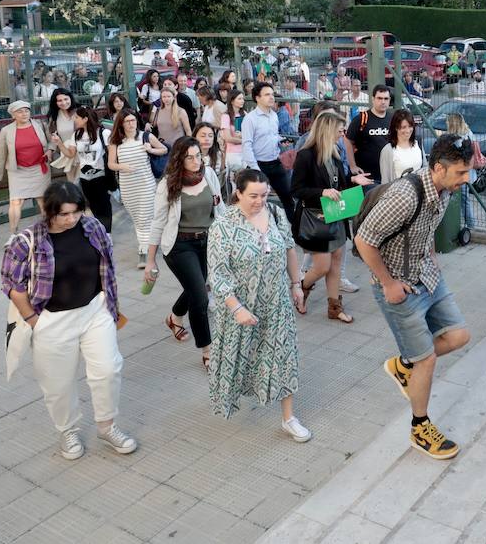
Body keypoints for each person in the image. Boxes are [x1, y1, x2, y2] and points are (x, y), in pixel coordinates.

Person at [355, 136, 474, 460]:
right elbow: (364, 240)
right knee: (427, 360)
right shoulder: (405, 195)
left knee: (459, 335)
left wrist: (431, 258)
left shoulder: (446, 190)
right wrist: (388, 283)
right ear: (438, 168)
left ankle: (404, 364)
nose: (467, 179)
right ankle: (420, 428)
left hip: (427, 276)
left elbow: (425, 227)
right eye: (461, 172)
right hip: (398, 288)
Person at [1, 181, 136, 461]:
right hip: (52, 320)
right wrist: (34, 320)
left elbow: (107, 268)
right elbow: (12, 285)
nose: (71, 219)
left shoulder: (93, 228)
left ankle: (106, 426)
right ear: (48, 211)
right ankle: (68, 430)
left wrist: (110, 306)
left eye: (75, 212)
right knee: (58, 383)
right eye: (63, 214)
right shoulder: (26, 241)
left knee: (108, 369)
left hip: (95, 311)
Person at [206, 168, 311, 441]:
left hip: (276, 302)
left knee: (284, 357)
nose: (259, 201)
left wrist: (296, 284)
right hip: (241, 306)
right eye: (253, 195)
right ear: (238, 193)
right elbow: (217, 274)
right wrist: (236, 308)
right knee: (240, 358)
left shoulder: (275, 214)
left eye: (264, 195)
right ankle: (230, 399)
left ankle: (289, 417)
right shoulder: (223, 226)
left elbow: (289, 248)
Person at [148, 135, 225, 370]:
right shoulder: (168, 183)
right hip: (180, 246)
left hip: (208, 242)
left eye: (197, 156)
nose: (195, 161)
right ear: (179, 159)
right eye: (188, 157)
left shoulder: (209, 175)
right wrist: (150, 259)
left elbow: (219, 208)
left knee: (198, 286)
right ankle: (208, 350)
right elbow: (158, 222)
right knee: (200, 297)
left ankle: (174, 317)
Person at [291, 110, 368, 324]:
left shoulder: (334, 153)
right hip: (316, 219)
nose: (342, 134)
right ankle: (302, 287)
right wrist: (321, 192)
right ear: (327, 131)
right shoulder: (306, 156)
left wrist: (354, 179)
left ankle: (334, 307)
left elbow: (339, 185)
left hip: (336, 216)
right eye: (339, 130)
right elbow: (296, 189)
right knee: (322, 266)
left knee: (335, 264)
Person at [107, 107, 165, 269]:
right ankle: (152, 242)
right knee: (138, 219)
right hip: (128, 186)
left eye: (133, 120)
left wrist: (151, 149)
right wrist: (122, 166)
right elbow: (111, 164)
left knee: (144, 218)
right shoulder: (115, 141)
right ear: (121, 124)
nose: (131, 124)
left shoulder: (145, 136)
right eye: (127, 121)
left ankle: (144, 252)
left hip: (146, 184)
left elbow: (164, 149)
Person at [0, 100, 52, 234]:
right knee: (15, 202)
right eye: (20, 111)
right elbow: (0, 154)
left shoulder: (40, 124)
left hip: (39, 169)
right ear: (13, 115)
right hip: (18, 171)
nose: (24, 114)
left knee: (43, 201)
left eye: (26, 110)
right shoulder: (6, 131)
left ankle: (48, 231)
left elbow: (52, 141)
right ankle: (13, 233)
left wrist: (50, 150)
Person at [241, 81, 295, 217]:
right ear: (257, 98)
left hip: (276, 163)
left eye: (272, 94)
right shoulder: (250, 119)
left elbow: (273, 136)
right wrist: (255, 169)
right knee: (258, 203)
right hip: (258, 165)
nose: (271, 97)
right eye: (266, 95)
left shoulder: (274, 115)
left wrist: (281, 141)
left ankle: (294, 233)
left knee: (288, 198)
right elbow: (246, 145)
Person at [70, 106, 113, 232]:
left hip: (101, 174)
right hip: (84, 176)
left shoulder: (103, 133)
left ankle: (107, 232)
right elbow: (71, 154)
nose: (74, 119)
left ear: (85, 119)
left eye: (77, 117)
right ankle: (100, 230)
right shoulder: (76, 134)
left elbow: (113, 153)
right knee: (93, 204)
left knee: (104, 205)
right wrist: (58, 143)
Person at [347, 85, 394, 184]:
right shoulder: (362, 118)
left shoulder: (393, 119)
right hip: (367, 176)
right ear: (373, 99)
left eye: (386, 98)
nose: (383, 101)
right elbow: (348, 140)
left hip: (387, 174)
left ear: (389, 100)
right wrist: (352, 165)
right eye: (379, 98)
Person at [443, 112, 479, 241]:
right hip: (467, 173)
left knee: (459, 199)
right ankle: (471, 225)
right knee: (465, 199)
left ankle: (467, 225)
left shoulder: (455, 138)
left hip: (459, 173)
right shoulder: (468, 133)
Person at [379, 108, 424, 182]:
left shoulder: (418, 143)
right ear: (396, 128)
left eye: (410, 126)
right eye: (403, 127)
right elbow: (385, 181)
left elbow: (425, 169)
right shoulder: (388, 150)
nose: (408, 131)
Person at [45, 88, 79, 181]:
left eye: (66, 99)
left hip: (82, 151)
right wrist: (50, 150)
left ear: (70, 98)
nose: (63, 103)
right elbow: (54, 137)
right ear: (55, 102)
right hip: (67, 153)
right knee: (72, 182)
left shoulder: (80, 112)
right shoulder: (54, 117)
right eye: (60, 100)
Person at [221, 90, 247, 174]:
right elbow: (228, 138)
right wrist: (244, 140)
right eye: (239, 99)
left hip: (245, 152)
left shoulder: (245, 114)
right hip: (233, 153)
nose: (242, 101)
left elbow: (251, 134)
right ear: (232, 101)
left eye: (243, 98)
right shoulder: (226, 116)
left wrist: (243, 136)